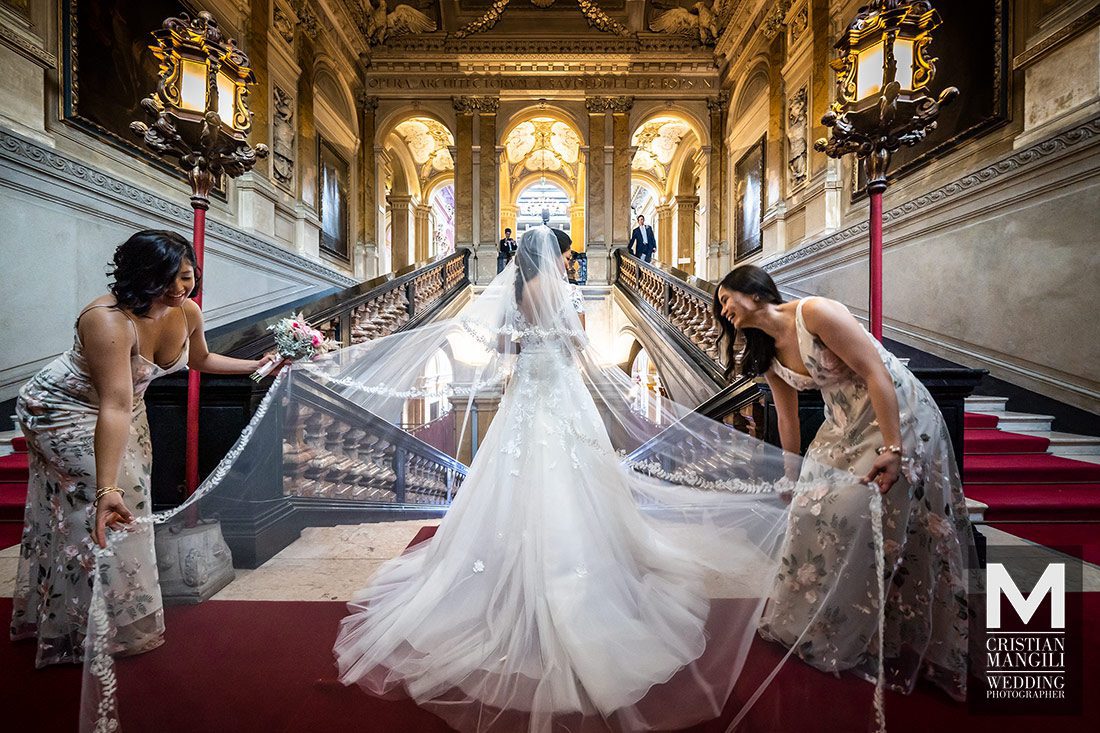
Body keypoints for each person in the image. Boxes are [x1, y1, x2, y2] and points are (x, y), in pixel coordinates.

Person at [11, 229, 277, 668]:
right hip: (63, 410)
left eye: (186, 277)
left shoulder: (186, 309)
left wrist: (258, 365)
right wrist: (105, 488)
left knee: (129, 502)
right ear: (140, 277)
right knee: (99, 504)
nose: (178, 289)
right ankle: (79, 627)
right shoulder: (107, 320)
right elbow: (112, 403)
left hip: (124, 407)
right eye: (166, 280)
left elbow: (200, 360)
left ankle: (113, 618)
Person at [712, 264, 974, 701]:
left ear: (755, 293)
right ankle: (821, 623)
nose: (722, 311)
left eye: (725, 299)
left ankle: (888, 629)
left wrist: (893, 450)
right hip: (843, 424)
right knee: (809, 510)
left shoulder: (815, 314)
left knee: (861, 514)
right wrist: (791, 477)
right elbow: (788, 416)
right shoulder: (766, 352)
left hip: (894, 416)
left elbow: (876, 372)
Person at [550, 227, 585, 328]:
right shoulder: (572, 293)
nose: (569, 266)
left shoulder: (516, 293)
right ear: (553, 256)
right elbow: (579, 342)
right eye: (567, 258)